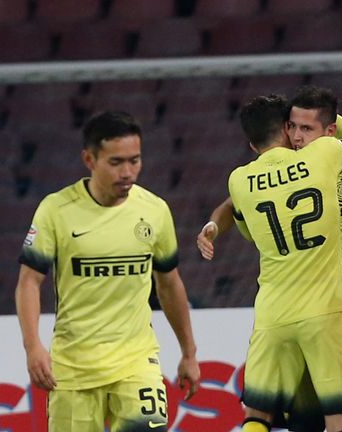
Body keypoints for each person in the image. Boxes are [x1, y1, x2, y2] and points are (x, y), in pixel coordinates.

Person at [197, 85, 342, 431]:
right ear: (285, 129)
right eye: (294, 127)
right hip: (327, 315)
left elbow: (237, 213)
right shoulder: (326, 156)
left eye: (307, 127)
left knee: (257, 413)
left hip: (277, 313)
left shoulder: (240, 179)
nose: (300, 136)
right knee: (338, 417)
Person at [14, 111, 201, 431]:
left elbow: (169, 283)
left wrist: (189, 352)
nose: (128, 172)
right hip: (73, 370)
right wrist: (33, 347)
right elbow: (29, 282)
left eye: (135, 160)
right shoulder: (56, 210)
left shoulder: (154, 210)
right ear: (89, 159)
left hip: (137, 363)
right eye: (116, 162)